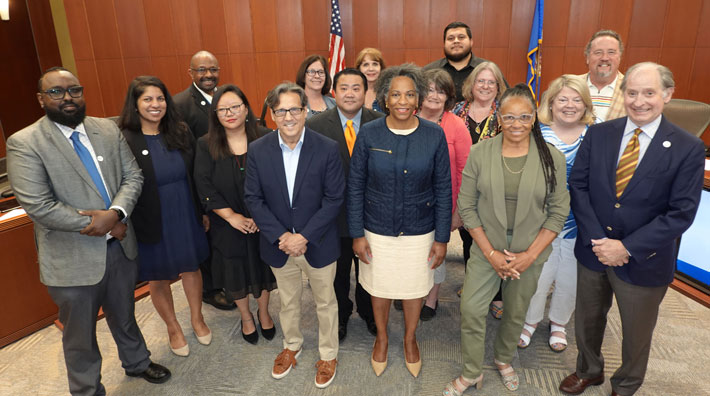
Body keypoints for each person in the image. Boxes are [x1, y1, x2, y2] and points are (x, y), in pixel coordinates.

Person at [6, 67, 171, 395]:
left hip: (120, 247)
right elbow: (40, 206)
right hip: (72, 258)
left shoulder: (106, 129)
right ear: (41, 98)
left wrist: (116, 213)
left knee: (124, 314)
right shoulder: (25, 143)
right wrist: (103, 223)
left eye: (74, 90)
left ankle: (137, 362)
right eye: (56, 92)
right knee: (79, 335)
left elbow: (133, 176)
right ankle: (86, 389)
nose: (67, 97)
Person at [560, 62, 706, 396]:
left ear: (667, 95)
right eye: (632, 93)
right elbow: (579, 187)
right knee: (587, 320)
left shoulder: (688, 147)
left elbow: (680, 213)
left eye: (649, 93)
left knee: (636, 332)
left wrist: (625, 247)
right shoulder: (599, 133)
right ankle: (588, 370)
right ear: (623, 94)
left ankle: (625, 386)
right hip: (594, 249)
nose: (639, 101)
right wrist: (599, 239)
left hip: (644, 259)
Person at [444, 83, 568, 394]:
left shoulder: (552, 158)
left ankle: (503, 358)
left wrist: (528, 256)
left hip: (531, 249)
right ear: (499, 117)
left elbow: (557, 212)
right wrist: (490, 253)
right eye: (509, 117)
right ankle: (472, 370)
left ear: (534, 118)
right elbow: (467, 207)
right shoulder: (480, 152)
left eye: (524, 117)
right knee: (472, 309)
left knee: (516, 310)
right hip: (488, 247)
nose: (516, 124)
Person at [348, 64, 452, 378]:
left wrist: (442, 238)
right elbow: (355, 185)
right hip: (375, 229)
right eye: (396, 94)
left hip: (421, 230)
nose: (403, 100)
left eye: (409, 94)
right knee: (379, 287)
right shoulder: (369, 132)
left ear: (418, 98)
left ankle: (409, 338)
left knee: (412, 288)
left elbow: (443, 187)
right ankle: (381, 336)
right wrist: (357, 233)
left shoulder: (434, 134)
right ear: (385, 98)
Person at [244, 82, 344, 388]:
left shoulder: (327, 148)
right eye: (281, 110)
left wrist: (304, 236)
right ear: (272, 115)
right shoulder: (258, 150)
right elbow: (253, 198)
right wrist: (282, 237)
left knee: (325, 302)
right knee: (287, 301)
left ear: (305, 111)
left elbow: (334, 198)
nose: (289, 116)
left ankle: (328, 354)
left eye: (295, 109)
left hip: (319, 242)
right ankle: (292, 345)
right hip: (279, 245)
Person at [118, 76, 211, 357]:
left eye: (160, 98)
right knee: (157, 277)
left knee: (191, 267)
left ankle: (197, 318)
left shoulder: (179, 131)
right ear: (135, 105)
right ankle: (173, 327)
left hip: (184, 210)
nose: (155, 105)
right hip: (150, 216)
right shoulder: (123, 138)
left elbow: (196, 174)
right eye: (147, 99)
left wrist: (202, 210)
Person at [194, 85, 277, 345]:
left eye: (235, 107)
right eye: (223, 109)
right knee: (235, 271)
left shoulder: (265, 137)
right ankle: (246, 316)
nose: (230, 113)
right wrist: (231, 217)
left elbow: (276, 180)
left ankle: (264, 312)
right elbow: (203, 184)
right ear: (215, 114)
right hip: (226, 223)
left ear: (245, 108)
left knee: (263, 269)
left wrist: (260, 217)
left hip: (263, 220)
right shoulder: (206, 144)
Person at [517, 75, 595, 353]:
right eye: (562, 99)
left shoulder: (595, 136)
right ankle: (530, 321)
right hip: (541, 219)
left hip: (581, 220)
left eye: (577, 100)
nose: (569, 105)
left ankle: (559, 323)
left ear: (586, 105)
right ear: (550, 103)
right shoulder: (537, 133)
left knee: (569, 276)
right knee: (539, 274)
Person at [306, 68, 383, 341]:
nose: (350, 93)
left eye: (356, 88)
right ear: (334, 92)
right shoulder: (314, 126)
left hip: (371, 215)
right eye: (344, 88)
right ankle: (340, 315)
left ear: (365, 92)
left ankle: (367, 311)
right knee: (337, 273)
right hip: (332, 216)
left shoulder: (381, 123)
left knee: (369, 268)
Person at [174, 50, 236, 311]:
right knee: (208, 239)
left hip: (230, 181)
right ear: (191, 73)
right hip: (202, 184)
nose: (208, 75)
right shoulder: (179, 105)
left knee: (228, 238)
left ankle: (230, 282)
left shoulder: (229, 98)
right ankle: (210, 289)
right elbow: (183, 155)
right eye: (202, 70)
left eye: (213, 69)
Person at [452, 61, 507, 318]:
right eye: (480, 81)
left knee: (493, 240)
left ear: (498, 87)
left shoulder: (505, 113)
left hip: (494, 189)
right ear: (471, 85)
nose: (485, 86)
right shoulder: (456, 111)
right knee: (468, 239)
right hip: (463, 187)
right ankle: (473, 282)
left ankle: (497, 294)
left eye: (491, 82)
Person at [417, 69, 472, 321]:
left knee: (435, 250)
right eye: (429, 89)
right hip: (412, 203)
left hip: (442, 203)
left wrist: (458, 210)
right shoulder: (408, 118)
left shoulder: (456, 125)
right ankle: (411, 292)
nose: (435, 95)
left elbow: (465, 170)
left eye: (441, 91)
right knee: (412, 249)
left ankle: (432, 297)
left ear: (449, 96)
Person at [423, 22, 499, 102]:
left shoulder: (489, 70)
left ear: (471, 42)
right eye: (450, 38)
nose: (456, 41)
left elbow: (504, 97)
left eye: (461, 37)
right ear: (444, 44)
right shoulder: (429, 71)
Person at [576, 30, 626, 121]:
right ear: (587, 58)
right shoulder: (571, 85)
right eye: (598, 52)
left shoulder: (631, 88)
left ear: (620, 57)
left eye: (611, 52)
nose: (604, 58)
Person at [355, 47, 386, 112]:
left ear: (381, 67)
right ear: (359, 68)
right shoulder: (353, 92)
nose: (371, 69)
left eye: (375, 64)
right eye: (366, 65)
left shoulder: (387, 93)